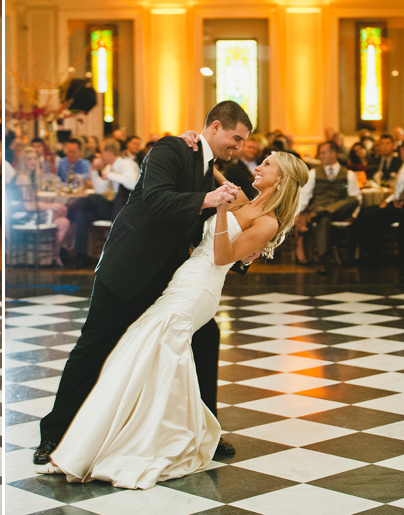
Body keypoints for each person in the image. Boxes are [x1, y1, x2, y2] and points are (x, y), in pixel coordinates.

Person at [37, 151, 308, 488]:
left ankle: (150, 440)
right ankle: (124, 434)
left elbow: (224, 255)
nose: (258, 166)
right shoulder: (244, 201)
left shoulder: (267, 221)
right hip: (186, 278)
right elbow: (208, 217)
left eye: (267, 164)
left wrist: (222, 213)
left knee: (151, 346)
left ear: (280, 178)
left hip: (200, 290)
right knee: (144, 350)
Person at [33, 101, 253, 467]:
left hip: (166, 278)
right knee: (93, 347)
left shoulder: (206, 167)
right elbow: (154, 200)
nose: (239, 147)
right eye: (235, 138)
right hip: (127, 268)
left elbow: (203, 228)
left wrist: (241, 252)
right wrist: (207, 199)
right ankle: (53, 435)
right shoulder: (172, 149)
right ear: (214, 126)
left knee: (205, 337)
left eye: (243, 142)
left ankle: (204, 431)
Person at [66, 140, 139, 266]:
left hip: (121, 209)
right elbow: (99, 189)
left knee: (88, 199)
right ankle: (81, 256)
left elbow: (133, 183)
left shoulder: (126, 164)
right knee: (82, 215)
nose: (100, 155)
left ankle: (69, 211)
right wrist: (94, 170)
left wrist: (111, 175)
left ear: (109, 152)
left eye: (102, 152)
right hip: (110, 208)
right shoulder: (109, 168)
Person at [295, 141, 361, 271]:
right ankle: (323, 256)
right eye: (320, 153)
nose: (321, 156)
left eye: (323, 153)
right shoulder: (313, 173)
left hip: (339, 209)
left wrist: (353, 216)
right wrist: (297, 212)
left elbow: (356, 197)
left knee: (353, 200)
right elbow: (305, 196)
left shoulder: (348, 174)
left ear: (333, 153)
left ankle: (323, 212)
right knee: (324, 218)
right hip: (319, 207)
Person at [15, 148, 70, 266]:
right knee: (61, 210)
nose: (33, 161)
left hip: (29, 213)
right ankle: (56, 253)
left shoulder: (31, 177)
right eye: (29, 159)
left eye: (34, 158)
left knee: (64, 222)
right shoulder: (23, 178)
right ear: (23, 161)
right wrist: (53, 205)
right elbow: (28, 205)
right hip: (22, 215)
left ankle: (56, 253)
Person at [224, 135, 261, 199]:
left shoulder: (261, 164)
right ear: (242, 148)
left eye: (254, 148)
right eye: (250, 147)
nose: (252, 150)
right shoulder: (233, 168)